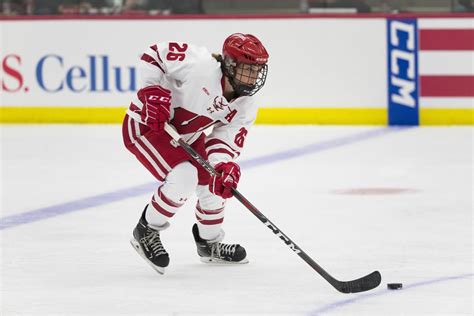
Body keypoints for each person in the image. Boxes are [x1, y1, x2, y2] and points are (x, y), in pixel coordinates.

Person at [122, 33, 269, 274]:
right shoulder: (200, 65)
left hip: (186, 137)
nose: (253, 77)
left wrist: (222, 166)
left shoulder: (245, 104)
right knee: (185, 176)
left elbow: (223, 140)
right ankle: (146, 229)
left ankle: (209, 244)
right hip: (147, 126)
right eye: (248, 69)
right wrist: (151, 90)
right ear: (230, 64)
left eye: (258, 70)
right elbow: (154, 54)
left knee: (215, 181)